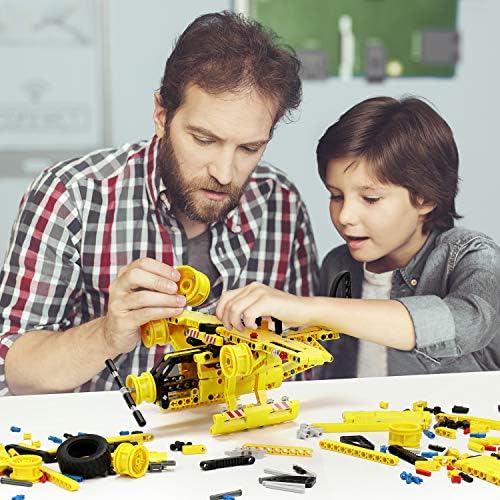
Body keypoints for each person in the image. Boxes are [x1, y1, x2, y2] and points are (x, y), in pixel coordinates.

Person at [0, 12, 319, 396]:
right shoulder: (72, 197)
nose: (224, 173)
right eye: (204, 140)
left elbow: (303, 366)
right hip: (113, 430)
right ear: (161, 114)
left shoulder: (280, 204)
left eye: (249, 148)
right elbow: (15, 372)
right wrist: (107, 333)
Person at [216, 96, 500, 378]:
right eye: (336, 196)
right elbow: (321, 357)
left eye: (370, 198)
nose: (345, 216)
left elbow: (465, 322)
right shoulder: (338, 266)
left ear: (425, 198)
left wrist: (307, 307)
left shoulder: (472, 257)